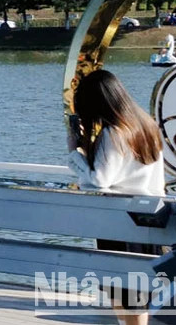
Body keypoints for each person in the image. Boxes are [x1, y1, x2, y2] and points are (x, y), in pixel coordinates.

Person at [67, 69, 165, 325]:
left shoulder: (114, 133)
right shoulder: (146, 125)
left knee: (126, 298)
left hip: (120, 224)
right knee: (136, 298)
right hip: (148, 220)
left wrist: (74, 151)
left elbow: (99, 181)